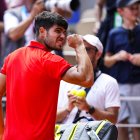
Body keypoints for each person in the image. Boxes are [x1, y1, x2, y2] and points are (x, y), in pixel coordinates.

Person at [0, 11, 93, 140]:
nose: (63, 36)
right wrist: (79, 46)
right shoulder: (51, 60)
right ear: (42, 31)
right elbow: (87, 79)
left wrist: (1, 133)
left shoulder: (12, 56)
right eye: (58, 31)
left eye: (64, 32)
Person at [56, 34, 120, 124]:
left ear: (98, 54)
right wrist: (68, 108)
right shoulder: (64, 79)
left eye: (86, 49)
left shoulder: (109, 82)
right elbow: (52, 118)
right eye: (78, 48)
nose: (81, 52)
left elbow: (113, 119)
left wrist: (89, 108)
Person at [104, 0, 140, 139]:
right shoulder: (114, 33)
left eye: (137, 8)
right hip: (119, 84)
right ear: (120, 11)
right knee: (121, 123)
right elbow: (106, 61)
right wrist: (117, 57)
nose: (135, 11)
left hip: (137, 83)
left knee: (137, 124)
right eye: (131, 8)